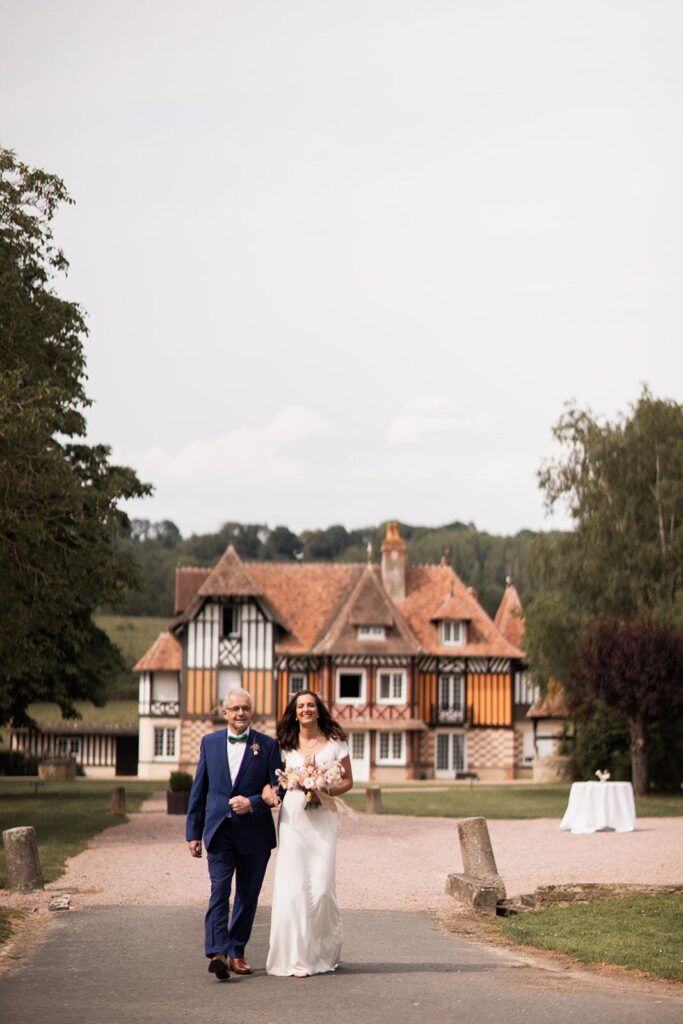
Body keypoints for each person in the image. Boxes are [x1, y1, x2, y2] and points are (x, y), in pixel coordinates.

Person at [186, 688, 281, 981]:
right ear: (224, 712)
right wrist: (193, 831)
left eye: (246, 708)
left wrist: (251, 802)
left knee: (247, 895)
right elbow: (199, 788)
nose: (241, 713)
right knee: (219, 890)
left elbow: (280, 787)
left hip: (254, 832)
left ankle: (236, 952)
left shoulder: (266, 745)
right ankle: (217, 952)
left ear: (251, 712)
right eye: (235, 708)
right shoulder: (209, 742)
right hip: (219, 830)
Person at [266, 689, 353, 978]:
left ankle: (322, 954)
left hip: (324, 818)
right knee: (293, 888)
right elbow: (273, 780)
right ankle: (295, 957)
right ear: (294, 712)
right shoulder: (284, 745)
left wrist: (326, 786)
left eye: (311, 705)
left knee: (322, 887)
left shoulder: (335, 744)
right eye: (301, 706)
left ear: (319, 710)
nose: (306, 710)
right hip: (294, 818)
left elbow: (349, 781)